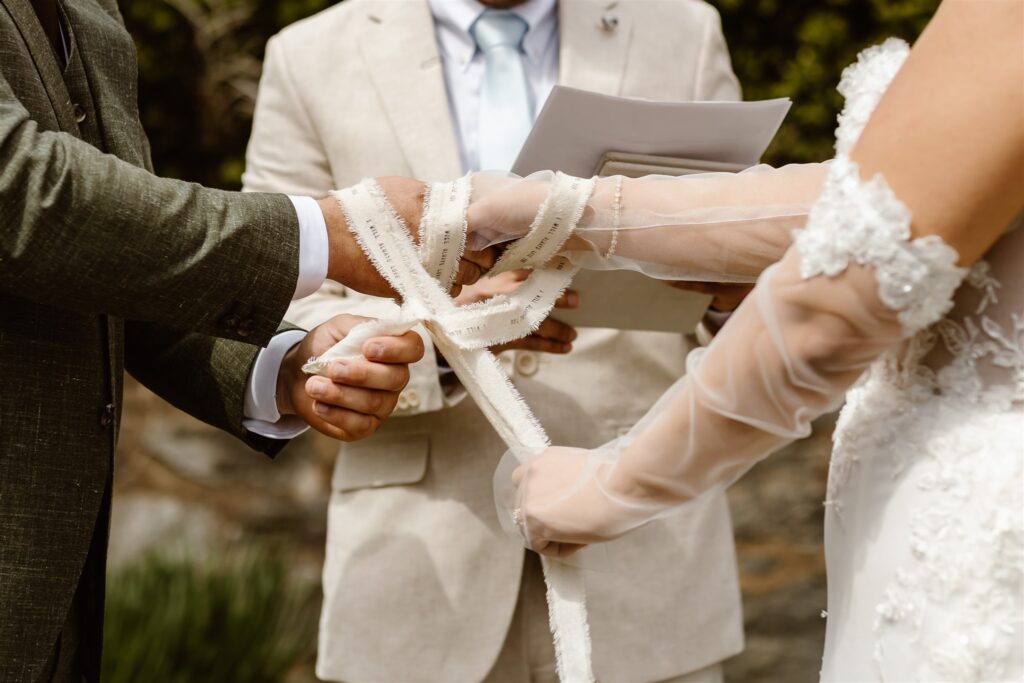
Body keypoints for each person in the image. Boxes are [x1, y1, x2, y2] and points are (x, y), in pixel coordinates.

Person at [471, 0, 1022, 679]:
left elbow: (829, 313)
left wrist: (611, 481)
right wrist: (568, 211)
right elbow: (854, 208)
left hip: (981, 539)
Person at [243, 0, 746, 681]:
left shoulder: (684, 30)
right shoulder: (306, 55)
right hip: (417, 579)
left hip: (645, 568)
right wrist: (447, 334)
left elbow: (742, 273)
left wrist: (732, 293)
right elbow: (274, 297)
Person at [0, 0, 492, 679]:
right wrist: (322, 235)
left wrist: (285, 365)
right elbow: (21, 194)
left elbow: (114, 265)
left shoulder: (92, 12)